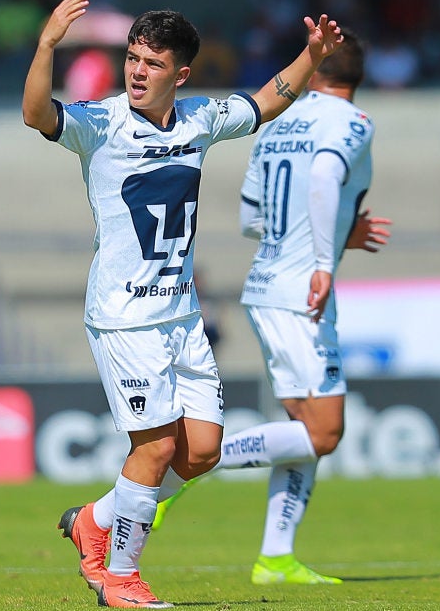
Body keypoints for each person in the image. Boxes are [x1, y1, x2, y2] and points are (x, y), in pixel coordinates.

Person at [23, 0, 343, 608]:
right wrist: (46, 45)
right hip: (125, 317)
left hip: (182, 315)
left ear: (181, 73)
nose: (137, 72)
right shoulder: (102, 124)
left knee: (202, 451)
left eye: (152, 63)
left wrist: (310, 56)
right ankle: (119, 578)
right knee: (157, 447)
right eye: (132, 58)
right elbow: (38, 114)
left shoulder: (199, 119)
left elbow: (268, 100)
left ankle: (94, 520)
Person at [152, 30, 392, 586]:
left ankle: (275, 557)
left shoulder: (280, 123)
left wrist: (328, 237)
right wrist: (326, 259)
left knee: (301, 428)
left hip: (267, 282)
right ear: (357, 77)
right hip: (299, 292)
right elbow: (326, 176)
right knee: (324, 434)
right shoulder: (349, 122)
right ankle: (179, 473)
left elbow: (251, 219)